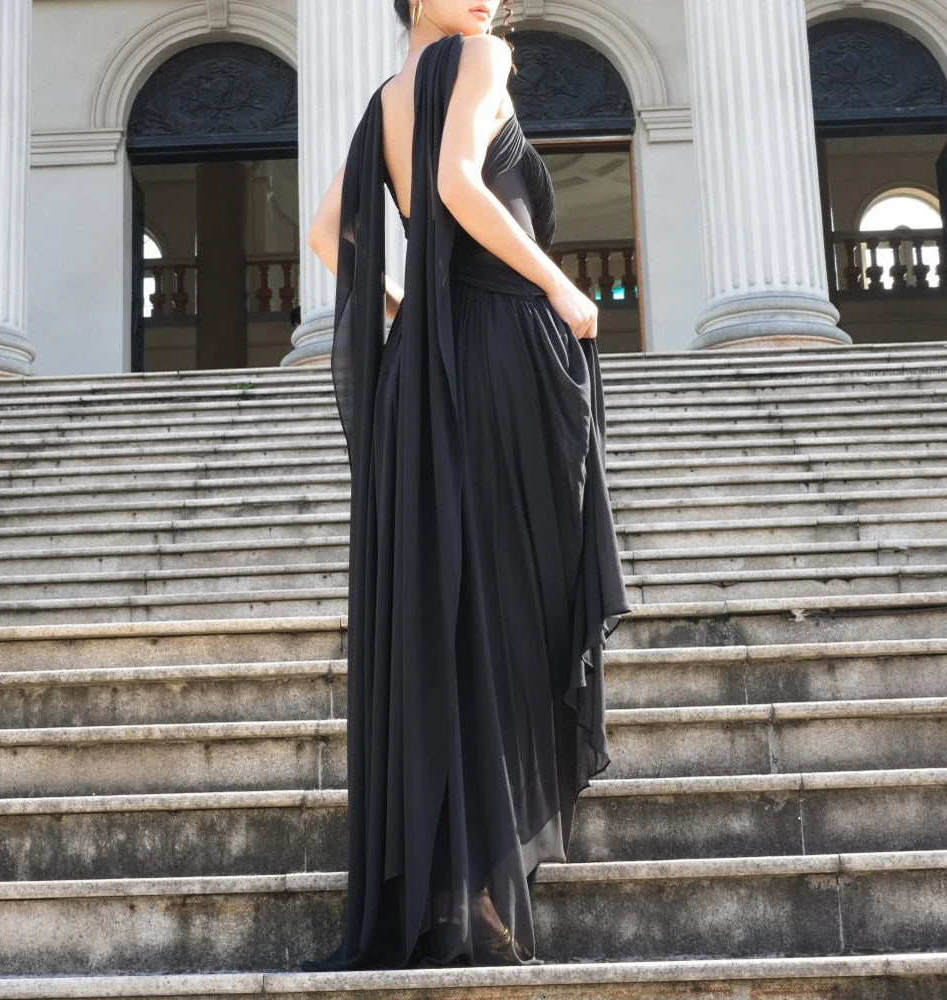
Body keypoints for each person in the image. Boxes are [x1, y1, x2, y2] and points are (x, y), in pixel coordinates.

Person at [302, 0, 632, 971]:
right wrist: (559, 284)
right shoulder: (482, 57)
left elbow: (331, 235)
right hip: (493, 346)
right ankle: (486, 871)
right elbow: (455, 185)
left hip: (419, 371)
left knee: (451, 612)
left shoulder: (386, 99)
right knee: (509, 591)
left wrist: (409, 311)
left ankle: (456, 884)